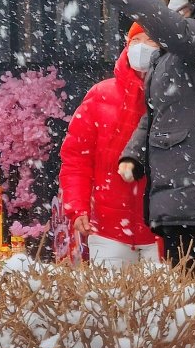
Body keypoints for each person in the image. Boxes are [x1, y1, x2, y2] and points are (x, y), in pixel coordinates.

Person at [77, 0, 195, 273]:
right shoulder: (175, 55)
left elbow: (176, 31)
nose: (176, 11)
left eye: (183, 3)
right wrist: (135, 155)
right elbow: (157, 111)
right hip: (177, 189)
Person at [59, 23, 161, 268]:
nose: (141, 48)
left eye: (150, 41)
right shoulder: (100, 95)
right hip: (108, 230)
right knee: (110, 303)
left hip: (160, 231)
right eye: (136, 41)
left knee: (167, 305)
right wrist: (77, 208)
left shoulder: (171, 96)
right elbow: (76, 159)